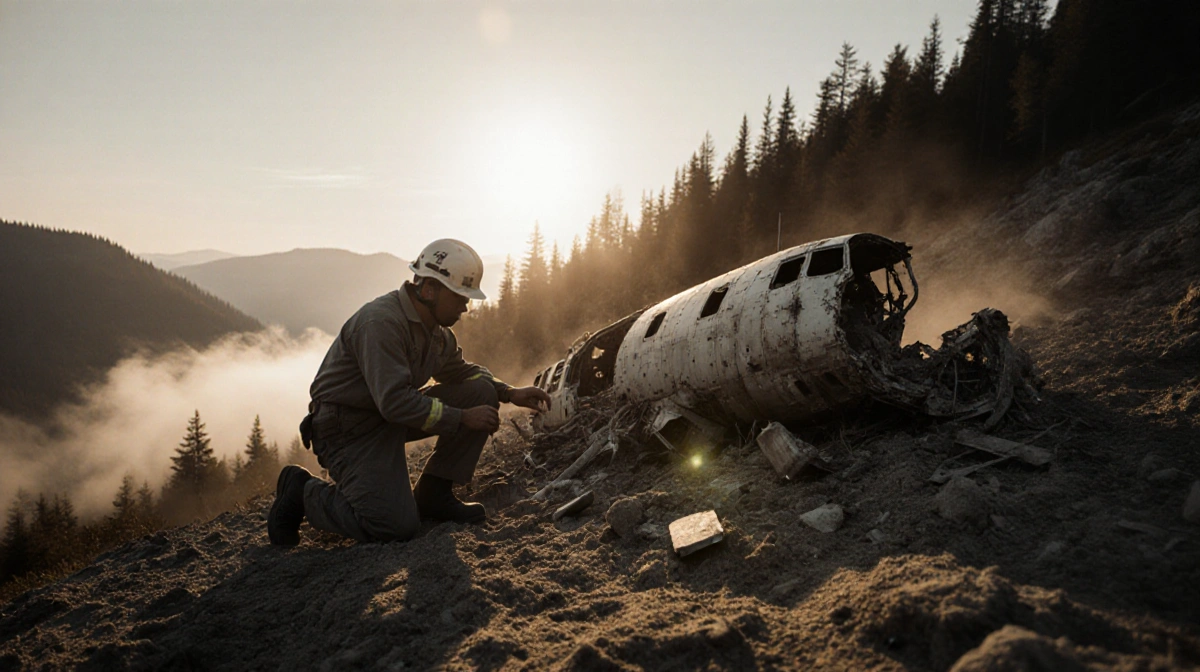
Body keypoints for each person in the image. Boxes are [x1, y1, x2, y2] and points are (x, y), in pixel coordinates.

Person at [267, 239, 551, 546]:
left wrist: (508, 392)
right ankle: (302, 492)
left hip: (386, 417)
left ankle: (434, 495)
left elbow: (461, 371)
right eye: (459, 297)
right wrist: (461, 418)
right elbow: (394, 402)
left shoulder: (437, 333)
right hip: (347, 430)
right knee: (394, 526)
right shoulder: (381, 324)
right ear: (429, 289)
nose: (465, 307)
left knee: (481, 391)